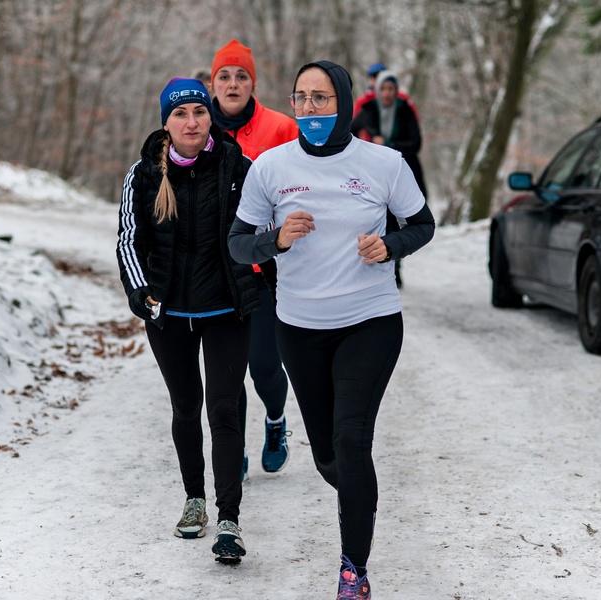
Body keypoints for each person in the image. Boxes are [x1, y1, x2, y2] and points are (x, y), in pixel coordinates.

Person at [228, 60, 435, 599]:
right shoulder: (270, 168)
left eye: (322, 98)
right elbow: (237, 243)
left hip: (370, 320)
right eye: (301, 98)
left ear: (344, 101)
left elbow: (422, 224)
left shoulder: (384, 163)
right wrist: (274, 240)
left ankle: (353, 571)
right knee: (329, 459)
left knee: (351, 438)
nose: (311, 109)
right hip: (299, 328)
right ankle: (357, 492)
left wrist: (390, 245)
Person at [116, 77, 257, 564]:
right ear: (166, 122)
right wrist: (140, 292)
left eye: (199, 111)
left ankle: (229, 519)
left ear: (210, 115)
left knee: (223, 409)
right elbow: (128, 241)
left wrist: (262, 281)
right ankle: (194, 499)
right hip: (169, 313)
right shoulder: (142, 175)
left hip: (225, 310)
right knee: (184, 408)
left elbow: (262, 231)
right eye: (181, 114)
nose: (192, 121)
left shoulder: (240, 168)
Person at [210, 38, 299, 480]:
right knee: (230, 371)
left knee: (265, 364)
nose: (232, 83)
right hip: (217, 271)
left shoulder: (281, 128)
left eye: (241, 75)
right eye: (224, 75)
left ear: (253, 83)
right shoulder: (197, 128)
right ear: (213, 82)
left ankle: (276, 421)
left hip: (266, 269)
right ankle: (237, 448)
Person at [352, 70, 428, 288]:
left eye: (391, 89)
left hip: (403, 172)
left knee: (399, 220)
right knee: (381, 219)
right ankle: (382, 264)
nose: (386, 93)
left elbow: (416, 143)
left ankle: (397, 267)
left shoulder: (405, 112)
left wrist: (388, 145)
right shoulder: (368, 110)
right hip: (373, 175)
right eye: (383, 89)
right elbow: (349, 133)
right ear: (377, 91)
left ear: (396, 91)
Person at [353, 62, 419, 123]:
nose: (378, 79)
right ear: (370, 79)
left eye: (381, 75)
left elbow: (414, 119)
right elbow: (355, 125)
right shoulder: (362, 102)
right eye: (374, 76)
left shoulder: (402, 98)